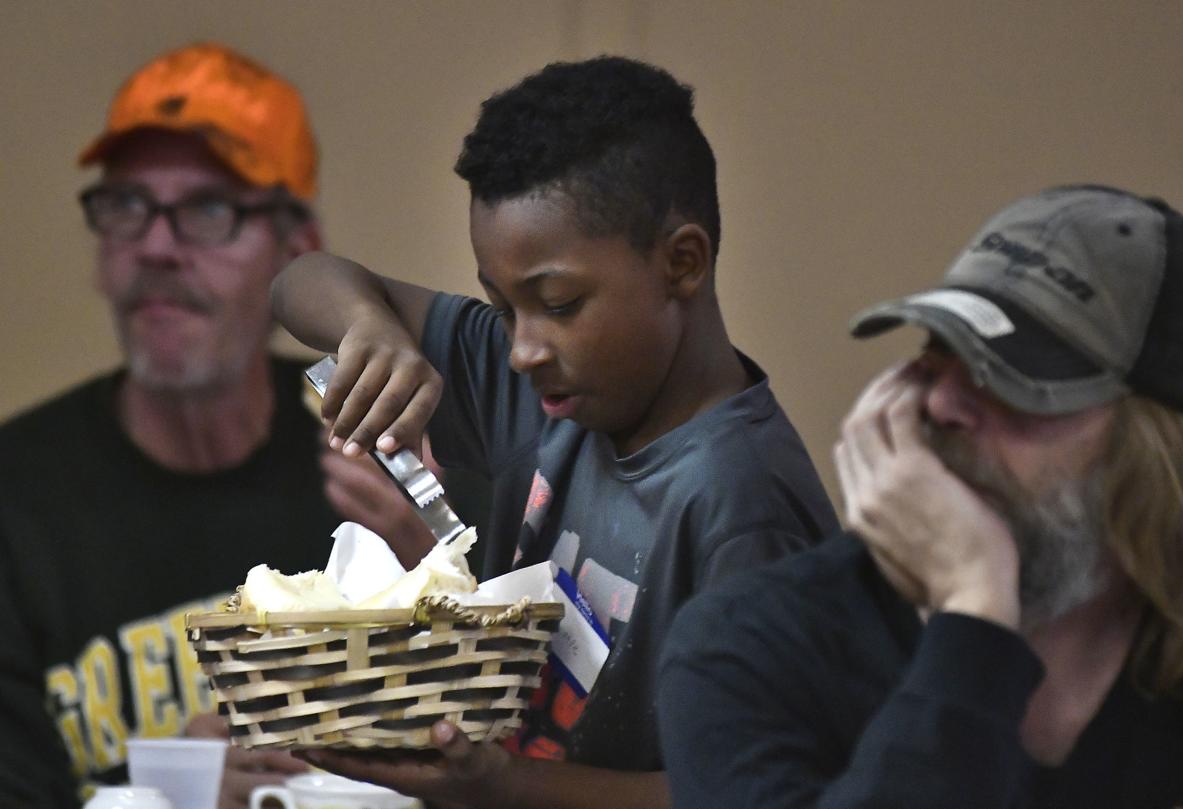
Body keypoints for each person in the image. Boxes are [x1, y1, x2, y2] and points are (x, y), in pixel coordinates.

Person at [270, 55, 839, 808]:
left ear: (683, 262)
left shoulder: (742, 501)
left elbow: (760, 793)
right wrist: (369, 327)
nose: (520, 348)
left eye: (560, 303)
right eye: (502, 309)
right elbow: (299, 283)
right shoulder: (541, 391)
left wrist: (503, 786)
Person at [0, 42, 443, 809]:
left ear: (295, 248)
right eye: (127, 205)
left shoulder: (373, 453)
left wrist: (437, 563)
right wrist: (161, 789)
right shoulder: (16, 501)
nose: (157, 246)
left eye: (208, 208)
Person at [657, 184, 1183, 808]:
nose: (941, 405)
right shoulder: (746, 649)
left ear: (1161, 449)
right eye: (938, 361)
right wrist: (973, 614)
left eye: (1023, 380)